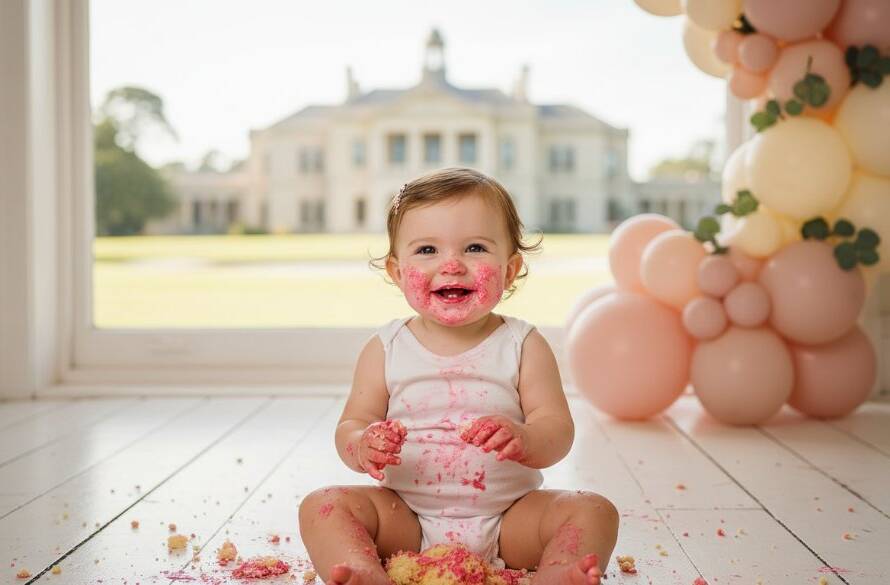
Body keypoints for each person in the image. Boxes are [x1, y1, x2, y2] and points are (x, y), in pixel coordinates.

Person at [299, 167, 618, 585]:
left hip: (510, 520)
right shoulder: (387, 347)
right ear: (397, 272)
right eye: (427, 250)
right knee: (322, 506)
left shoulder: (523, 344)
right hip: (405, 519)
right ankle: (363, 574)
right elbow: (351, 424)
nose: (451, 265)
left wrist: (525, 439)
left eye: (474, 248)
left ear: (510, 269)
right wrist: (362, 445)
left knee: (594, 510)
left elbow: (557, 430)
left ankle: (557, 575)